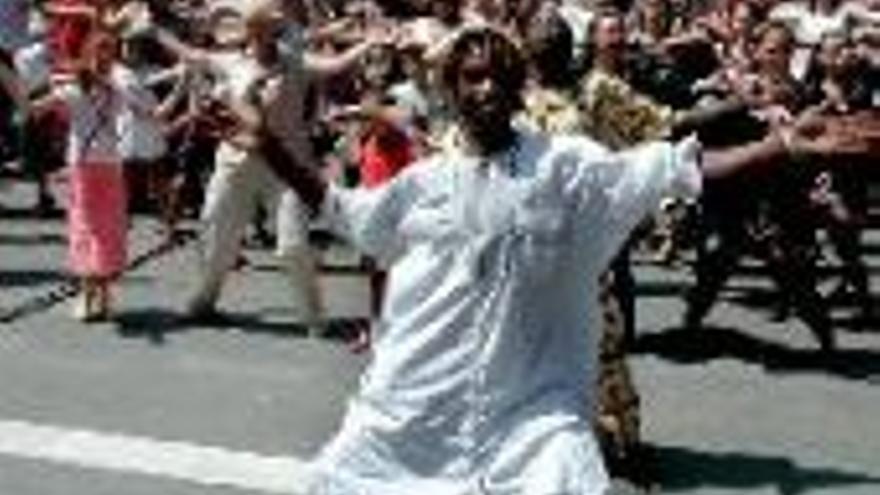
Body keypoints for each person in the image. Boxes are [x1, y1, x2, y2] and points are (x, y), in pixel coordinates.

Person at [257, 24, 868, 495]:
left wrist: (778, 145)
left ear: (521, 86)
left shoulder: (566, 163)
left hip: (535, 409)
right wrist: (269, 149)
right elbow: (344, 213)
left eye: (500, 75)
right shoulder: (425, 182)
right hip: (415, 407)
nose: (487, 86)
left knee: (571, 477)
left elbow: (670, 168)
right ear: (451, 89)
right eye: (471, 77)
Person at [27, 29, 135, 321]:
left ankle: (95, 297)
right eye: (107, 51)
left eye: (108, 51)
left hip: (94, 164)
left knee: (92, 228)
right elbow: (36, 108)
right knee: (101, 228)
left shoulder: (84, 88)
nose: (107, 57)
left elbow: (34, 109)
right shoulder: (113, 86)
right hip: (100, 164)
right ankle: (98, 297)